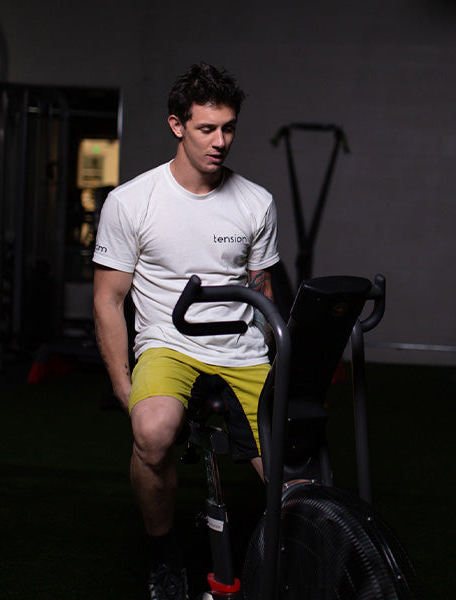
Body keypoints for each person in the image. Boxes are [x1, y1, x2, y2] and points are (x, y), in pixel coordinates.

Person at [93, 62, 280, 600]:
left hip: (242, 352)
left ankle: (292, 559)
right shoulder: (132, 201)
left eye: (229, 128)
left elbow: (262, 291)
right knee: (152, 434)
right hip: (167, 346)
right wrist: (122, 385)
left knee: (294, 483)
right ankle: (164, 553)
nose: (220, 141)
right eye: (206, 128)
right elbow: (109, 298)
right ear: (177, 125)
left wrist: (280, 367)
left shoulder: (256, 202)